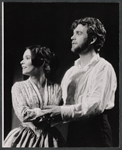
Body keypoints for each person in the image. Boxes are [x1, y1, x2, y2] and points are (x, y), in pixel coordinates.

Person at [43, 17, 117, 147]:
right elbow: (64, 105)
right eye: (73, 33)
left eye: (78, 33)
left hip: (96, 131)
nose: (72, 37)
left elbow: (95, 105)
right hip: (74, 131)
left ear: (93, 39)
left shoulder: (104, 67)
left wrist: (61, 111)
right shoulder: (70, 72)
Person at [3, 45, 66, 147]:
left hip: (51, 140)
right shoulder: (19, 87)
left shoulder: (57, 88)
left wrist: (42, 114)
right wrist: (49, 113)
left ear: (41, 61)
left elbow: (60, 115)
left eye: (27, 58)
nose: (21, 62)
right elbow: (23, 114)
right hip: (25, 138)